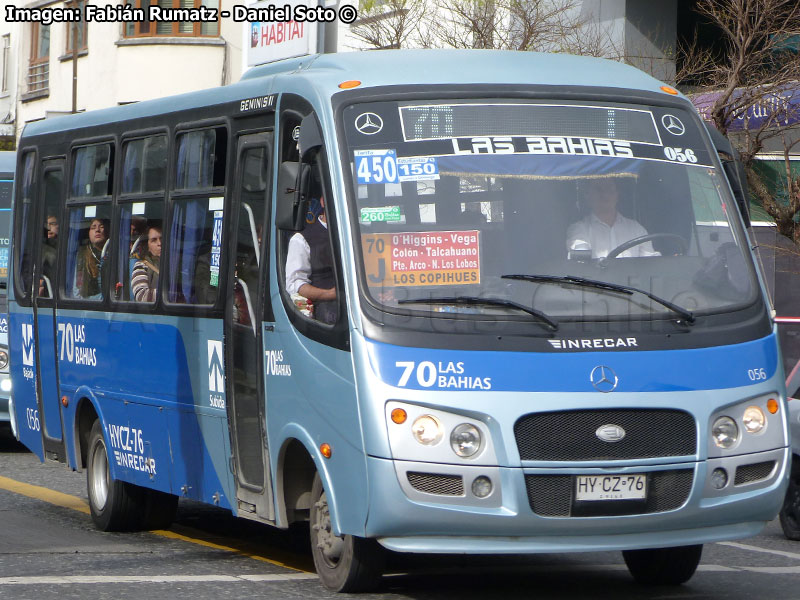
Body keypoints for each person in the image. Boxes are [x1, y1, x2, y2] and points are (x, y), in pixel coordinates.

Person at [566, 178, 660, 259]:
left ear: (617, 194)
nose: (605, 195)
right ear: (587, 195)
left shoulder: (636, 229)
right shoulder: (579, 229)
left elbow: (650, 263)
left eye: (609, 189)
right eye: (598, 190)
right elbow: (580, 258)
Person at [285, 196, 337, 324]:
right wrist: (330, 294)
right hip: (326, 313)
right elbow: (296, 285)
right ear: (323, 201)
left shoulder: (364, 234)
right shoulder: (301, 239)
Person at [75, 218, 109, 298]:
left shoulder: (115, 254)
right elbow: (77, 291)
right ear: (89, 233)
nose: (97, 230)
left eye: (101, 227)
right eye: (93, 227)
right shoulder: (81, 255)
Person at [131, 225, 161, 302]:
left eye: (162, 238)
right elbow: (142, 296)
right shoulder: (141, 265)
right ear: (147, 246)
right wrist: (171, 295)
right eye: (154, 240)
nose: (159, 243)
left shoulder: (178, 264)